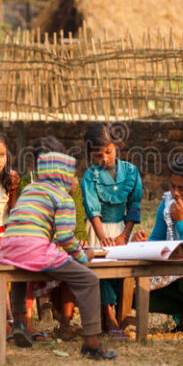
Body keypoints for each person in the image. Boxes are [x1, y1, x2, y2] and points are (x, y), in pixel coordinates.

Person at [0, 152, 117, 360]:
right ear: (63, 177)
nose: (74, 182)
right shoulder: (63, 198)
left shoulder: (30, 190)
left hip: (8, 247)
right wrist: (82, 256)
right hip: (34, 248)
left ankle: (19, 323)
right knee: (88, 280)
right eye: (72, 176)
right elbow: (64, 237)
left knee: (21, 268)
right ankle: (91, 342)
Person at [18, 136, 88, 342]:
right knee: (25, 273)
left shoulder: (71, 185)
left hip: (61, 242)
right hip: (36, 242)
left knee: (73, 262)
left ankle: (66, 323)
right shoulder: (28, 183)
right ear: (36, 165)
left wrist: (81, 237)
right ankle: (27, 326)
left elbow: (77, 218)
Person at [81, 123, 142, 337]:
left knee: (120, 273)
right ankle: (108, 317)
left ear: (117, 146)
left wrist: (123, 236)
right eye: (98, 155)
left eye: (108, 152)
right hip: (98, 231)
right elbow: (92, 210)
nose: (104, 159)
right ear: (90, 155)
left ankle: (121, 314)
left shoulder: (131, 172)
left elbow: (133, 206)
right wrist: (103, 238)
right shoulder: (91, 176)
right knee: (101, 273)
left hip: (120, 230)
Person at [140, 155, 183, 333]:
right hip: (174, 275)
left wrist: (182, 221)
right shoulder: (167, 207)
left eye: (182, 188)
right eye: (172, 186)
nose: (175, 193)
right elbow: (156, 241)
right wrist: (141, 244)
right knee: (134, 289)